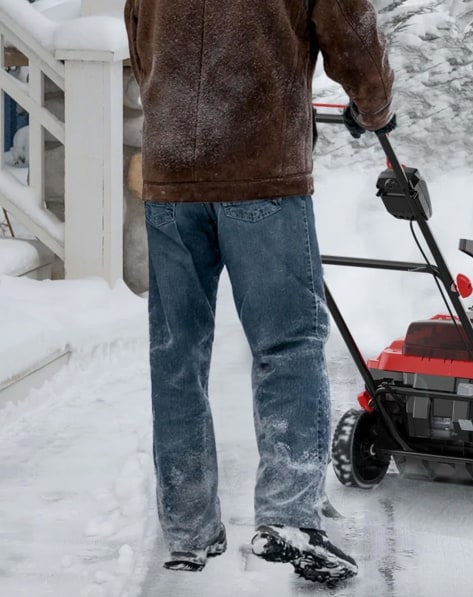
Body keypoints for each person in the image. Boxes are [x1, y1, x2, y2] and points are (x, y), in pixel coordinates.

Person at [123, 0, 395, 584]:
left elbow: (138, 36)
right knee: (288, 346)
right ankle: (289, 517)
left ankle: (189, 529)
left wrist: (170, 106)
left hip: (172, 174)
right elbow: (350, 31)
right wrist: (375, 105)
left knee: (176, 356)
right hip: (260, 168)